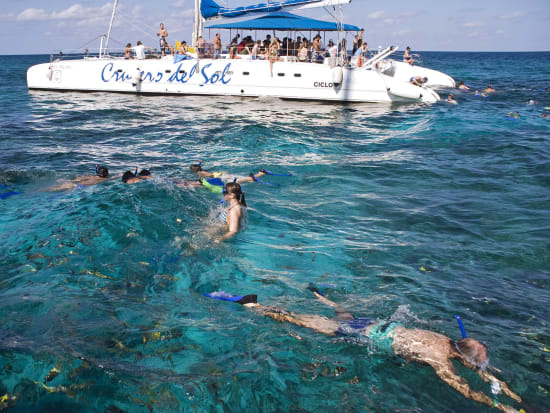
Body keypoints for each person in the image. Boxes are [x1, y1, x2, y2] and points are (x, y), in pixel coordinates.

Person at [206, 288, 524, 412]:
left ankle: (323, 296)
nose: (479, 369)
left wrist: (506, 390)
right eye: (477, 365)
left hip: (374, 324)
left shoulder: (442, 341)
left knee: (344, 315)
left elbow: (481, 371)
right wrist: (502, 407)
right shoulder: (440, 360)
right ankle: (254, 307)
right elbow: (466, 391)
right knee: (303, 323)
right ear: (464, 358)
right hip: (362, 335)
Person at [47, 165, 112, 192]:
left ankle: (39, 190)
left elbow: (79, 178)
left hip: (74, 183)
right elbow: (113, 178)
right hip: (81, 186)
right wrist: (119, 175)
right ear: (106, 174)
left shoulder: (91, 176)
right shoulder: (104, 179)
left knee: (54, 188)